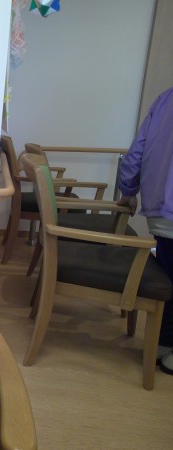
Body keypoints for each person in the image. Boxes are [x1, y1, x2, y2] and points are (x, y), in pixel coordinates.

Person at [117, 86, 173, 375]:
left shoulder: (165, 99)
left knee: (168, 275)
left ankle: (162, 343)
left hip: (160, 212)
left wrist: (128, 190)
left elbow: (136, 151)